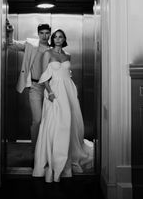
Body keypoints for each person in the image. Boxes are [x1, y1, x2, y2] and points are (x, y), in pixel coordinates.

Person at [33, 29, 94, 183]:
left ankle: (68, 154)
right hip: (54, 91)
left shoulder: (68, 56)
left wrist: (73, 90)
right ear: (52, 39)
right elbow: (44, 77)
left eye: (60, 37)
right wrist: (50, 92)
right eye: (55, 37)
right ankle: (53, 159)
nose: (57, 39)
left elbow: (68, 75)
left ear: (64, 39)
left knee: (70, 122)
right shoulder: (47, 53)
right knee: (54, 124)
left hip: (69, 92)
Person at [6, 20, 51, 152]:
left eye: (47, 33)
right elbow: (11, 45)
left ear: (50, 34)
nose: (44, 35)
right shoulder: (30, 45)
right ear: (38, 34)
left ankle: (48, 150)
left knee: (50, 120)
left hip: (51, 88)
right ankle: (36, 150)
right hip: (36, 88)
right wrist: (10, 32)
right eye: (41, 33)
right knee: (37, 120)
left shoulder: (53, 49)